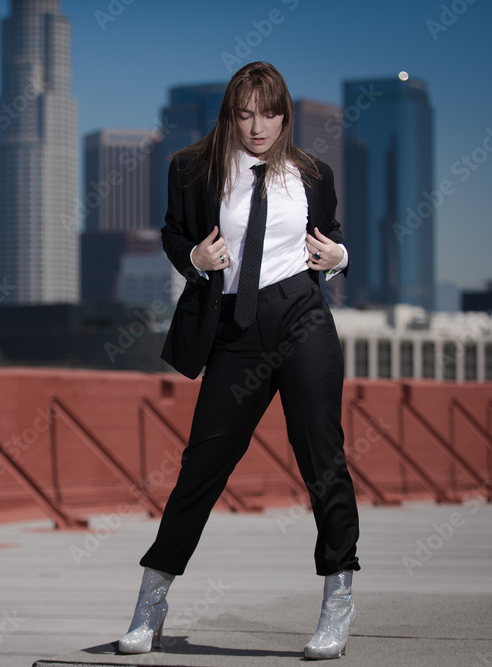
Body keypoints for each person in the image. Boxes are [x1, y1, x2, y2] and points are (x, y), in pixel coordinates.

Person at [118, 61, 360, 660]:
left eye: (270, 112)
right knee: (202, 466)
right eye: (246, 113)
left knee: (323, 462)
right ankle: (150, 606)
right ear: (230, 113)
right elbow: (175, 235)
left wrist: (339, 255)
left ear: (285, 114)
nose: (259, 126)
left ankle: (337, 601)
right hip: (233, 327)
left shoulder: (313, 173)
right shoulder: (191, 169)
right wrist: (195, 257)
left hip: (301, 317)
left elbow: (328, 241)